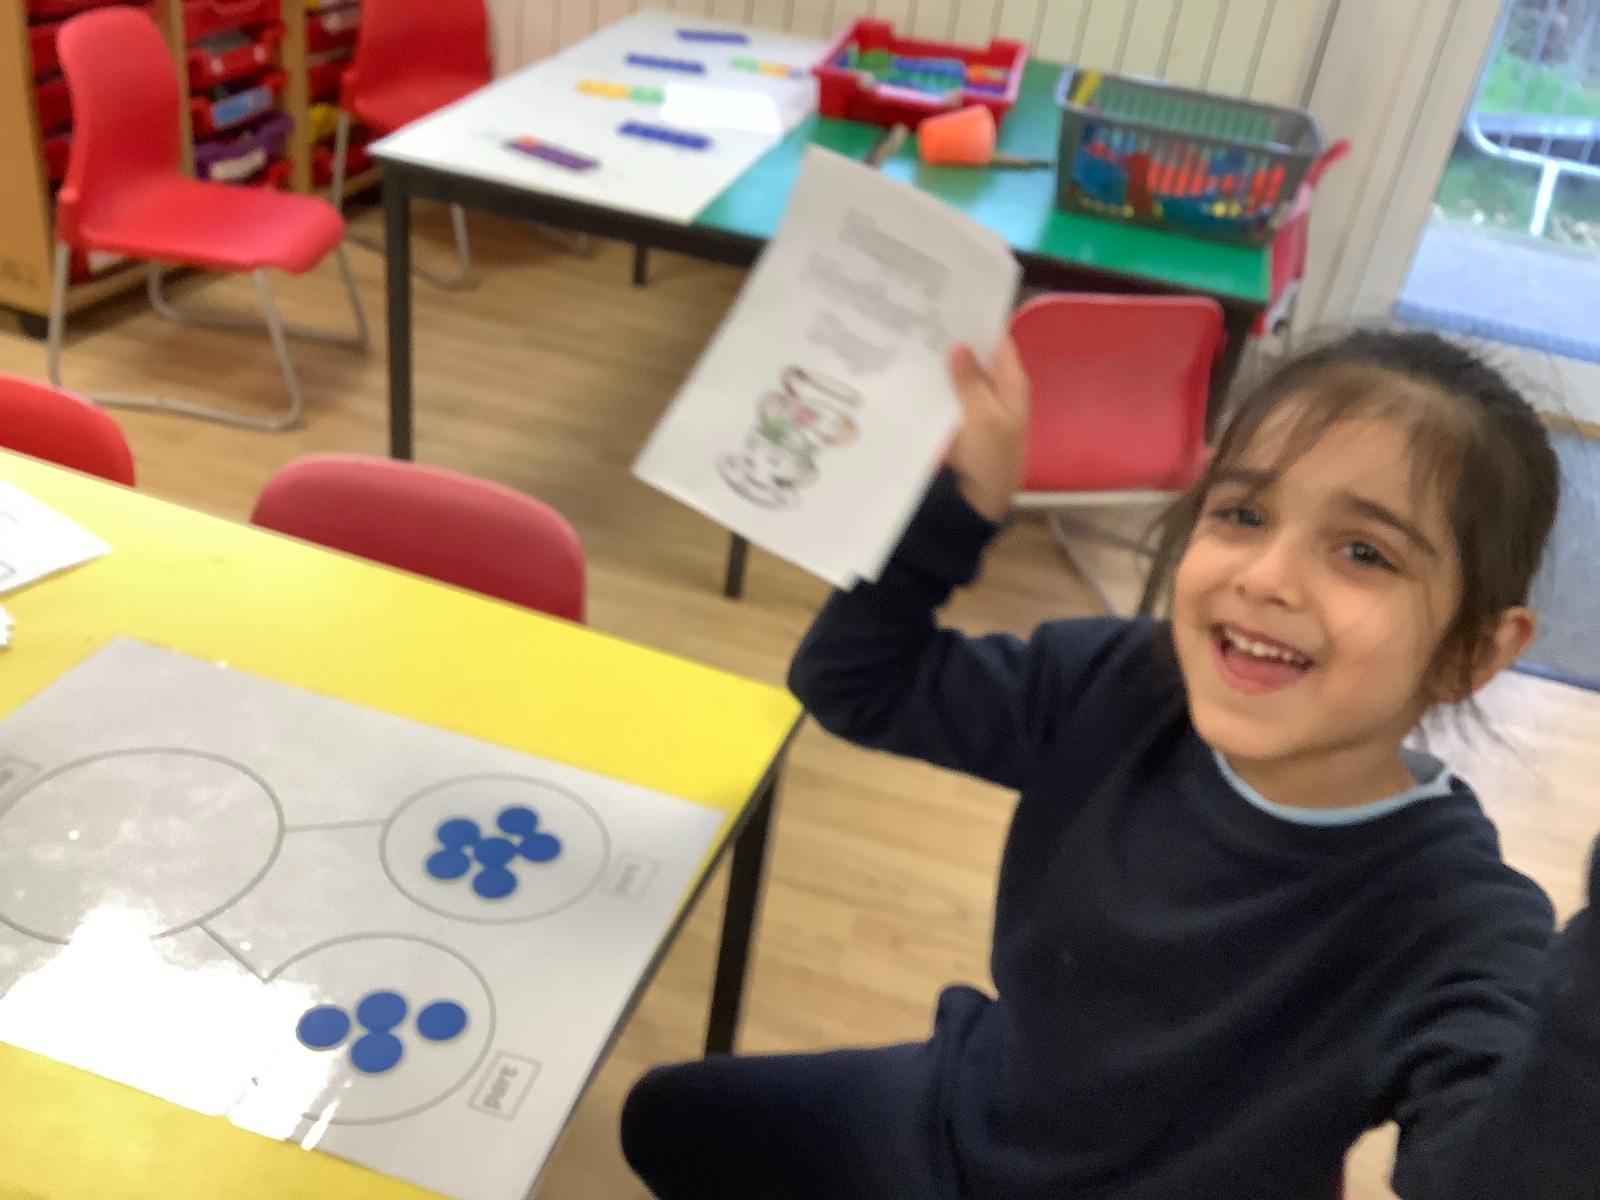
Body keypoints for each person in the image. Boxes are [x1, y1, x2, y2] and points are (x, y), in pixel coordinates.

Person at [620, 329, 1599, 1200]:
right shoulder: (1123, 682)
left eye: (1363, 553)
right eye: (1243, 514)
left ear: (1473, 653)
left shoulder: (1455, 917)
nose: (1265, 578)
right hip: (961, 1118)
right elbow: (853, 682)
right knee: (667, 1121)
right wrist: (959, 506)